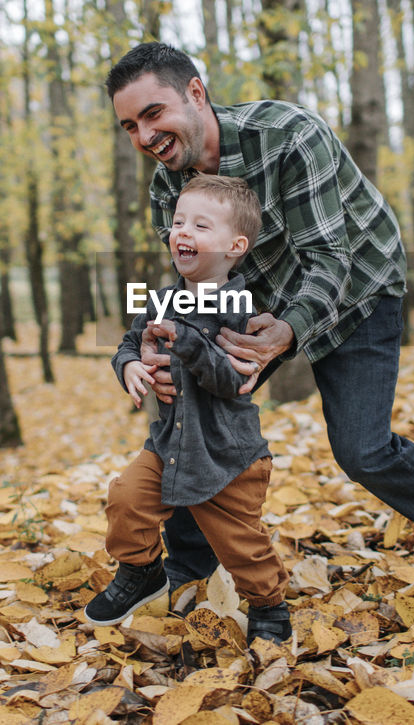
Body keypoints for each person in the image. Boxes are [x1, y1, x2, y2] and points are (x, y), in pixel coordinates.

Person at [105, 41, 414, 592]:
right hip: (258, 301)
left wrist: (288, 332)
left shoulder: (288, 136)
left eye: (153, 114)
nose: (144, 136)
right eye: (129, 125)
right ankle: (190, 564)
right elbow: (194, 284)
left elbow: (328, 257)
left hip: (357, 286)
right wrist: (155, 339)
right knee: (190, 405)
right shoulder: (165, 191)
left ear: (195, 94)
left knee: (361, 450)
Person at [86, 174, 291, 643]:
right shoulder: (160, 299)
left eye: (201, 225)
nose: (183, 232)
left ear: (234, 245)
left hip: (227, 456)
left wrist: (190, 345)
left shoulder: (242, 309)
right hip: (170, 445)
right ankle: (140, 571)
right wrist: (131, 366)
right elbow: (128, 343)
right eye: (179, 222)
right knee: (126, 499)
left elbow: (233, 379)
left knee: (241, 545)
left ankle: (269, 609)